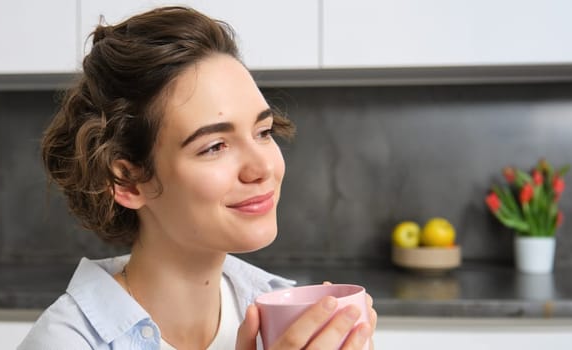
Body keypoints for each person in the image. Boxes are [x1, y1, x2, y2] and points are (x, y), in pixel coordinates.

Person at [19, 6, 377, 350]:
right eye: (215, 146)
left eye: (263, 132)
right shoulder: (64, 342)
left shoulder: (284, 315)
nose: (262, 168)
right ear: (128, 181)